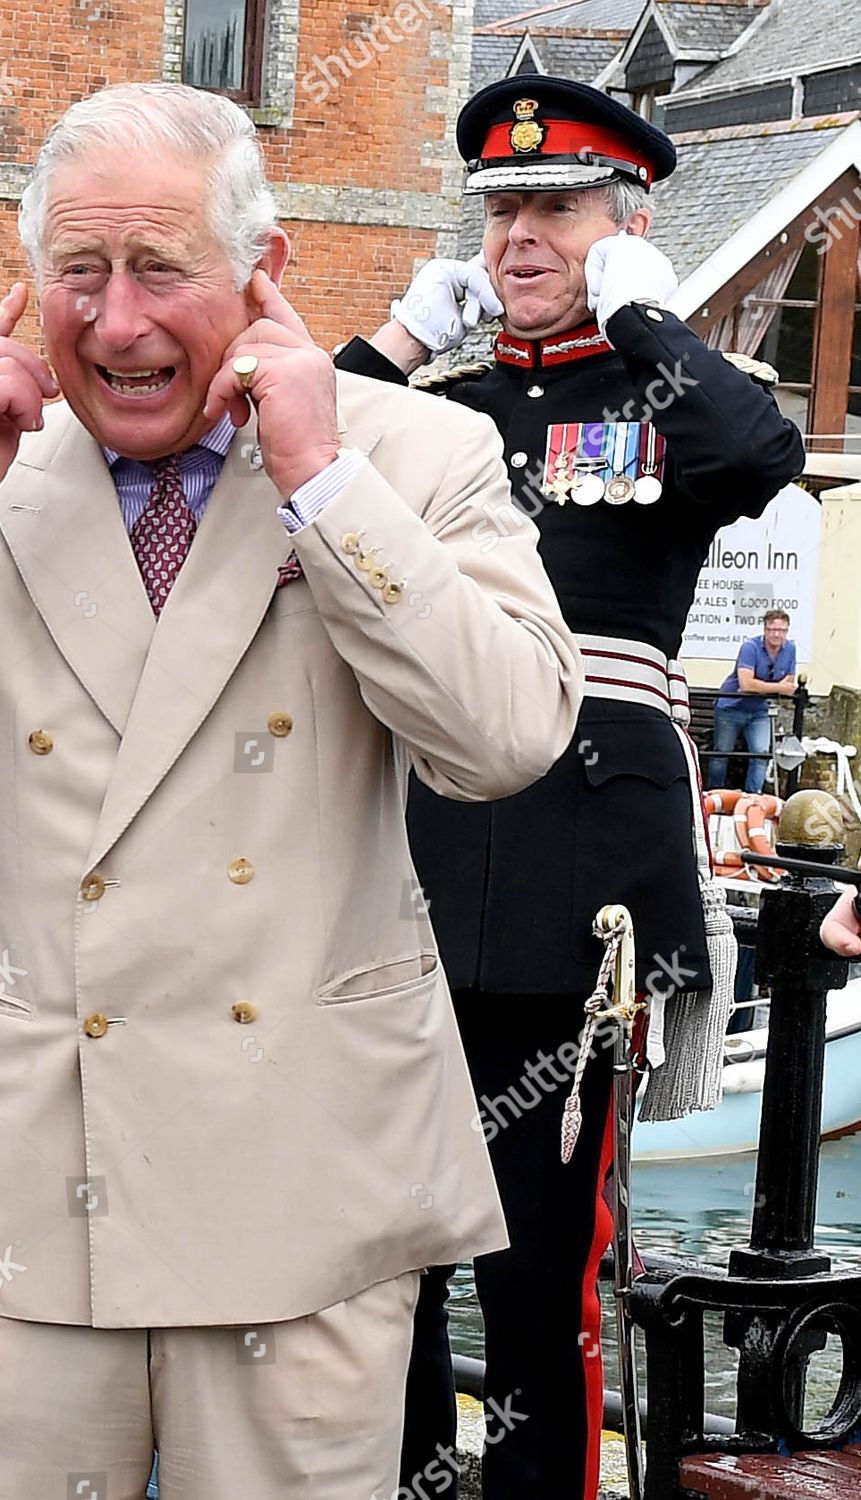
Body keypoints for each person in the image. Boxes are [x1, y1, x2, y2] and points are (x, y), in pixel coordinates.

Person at [0, 81, 582, 1500]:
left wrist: (323, 486)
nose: (117, 320)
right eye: (77, 272)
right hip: (12, 1197)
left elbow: (504, 736)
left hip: (297, 1190)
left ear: (259, 273)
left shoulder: (409, 456)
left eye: (160, 269)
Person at [337, 75, 805, 1500]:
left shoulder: (663, 395)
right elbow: (280, 477)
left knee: (540, 1274)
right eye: (500, 211)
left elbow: (760, 453)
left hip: (579, 896)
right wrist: (397, 339)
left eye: (554, 208)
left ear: (624, 225)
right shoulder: (446, 404)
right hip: (415, 865)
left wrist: (649, 309)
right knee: (389, 1257)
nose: (519, 235)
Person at [707, 610, 796, 792]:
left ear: (787, 631)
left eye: (781, 630)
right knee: (721, 754)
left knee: (761, 754)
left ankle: (753, 798)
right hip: (731, 708)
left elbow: (790, 681)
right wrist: (778, 687)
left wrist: (761, 686)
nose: (777, 634)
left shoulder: (791, 649)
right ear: (765, 629)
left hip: (759, 711)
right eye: (772, 629)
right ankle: (713, 795)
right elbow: (746, 683)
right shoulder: (750, 647)